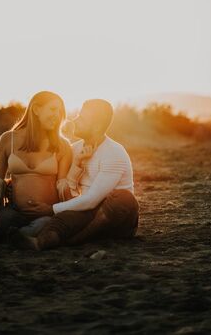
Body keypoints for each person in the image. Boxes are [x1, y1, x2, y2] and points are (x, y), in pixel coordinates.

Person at [11, 98, 139, 250]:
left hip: (117, 220)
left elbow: (92, 199)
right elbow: (68, 192)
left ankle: (77, 239)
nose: (75, 121)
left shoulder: (114, 153)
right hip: (88, 213)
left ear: (97, 127)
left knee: (123, 198)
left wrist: (50, 209)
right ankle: (38, 243)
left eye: (82, 118)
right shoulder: (74, 150)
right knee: (62, 218)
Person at [0, 91, 72, 245]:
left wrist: (53, 209)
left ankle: (18, 234)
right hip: (14, 211)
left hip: (44, 215)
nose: (57, 115)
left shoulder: (62, 146)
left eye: (60, 111)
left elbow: (62, 186)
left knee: (40, 226)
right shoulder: (8, 139)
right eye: (52, 109)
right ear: (36, 110)